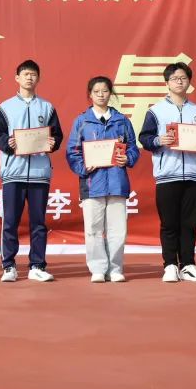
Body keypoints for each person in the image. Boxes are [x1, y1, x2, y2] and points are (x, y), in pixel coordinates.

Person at [138, 62, 196, 283]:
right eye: (174, 78)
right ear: (167, 83)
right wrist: (158, 140)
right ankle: (170, 264)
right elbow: (144, 138)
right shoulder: (156, 111)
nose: (179, 82)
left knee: (190, 223)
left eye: (183, 78)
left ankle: (188, 265)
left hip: (193, 174)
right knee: (169, 222)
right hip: (167, 175)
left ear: (189, 82)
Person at [0, 59, 63, 283]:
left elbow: (57, 136)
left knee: (38, 223)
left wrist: (53, 143)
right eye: (25, 74)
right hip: (13, 172)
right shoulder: (5, 107)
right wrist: (8, 143)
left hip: (40, 173)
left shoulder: (47, 107)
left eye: (33, 74)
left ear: (38, 78)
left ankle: (37, 265)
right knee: (10, 222)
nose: (29, 78)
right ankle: (8, 266)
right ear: (17, 78)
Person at [65, 76, 140, 283]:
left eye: (105, 91)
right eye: (96, 91)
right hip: (92, 183)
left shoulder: (122, 121)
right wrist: (83, 167)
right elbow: (72, 151)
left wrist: (128, 158)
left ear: (111, 93)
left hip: (117, 182)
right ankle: (97, 268)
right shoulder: (82, 121)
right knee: (93, 229)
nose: (101, 95)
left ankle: (115, 268)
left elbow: (133, 148)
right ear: (90, 95)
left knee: (118, 229)